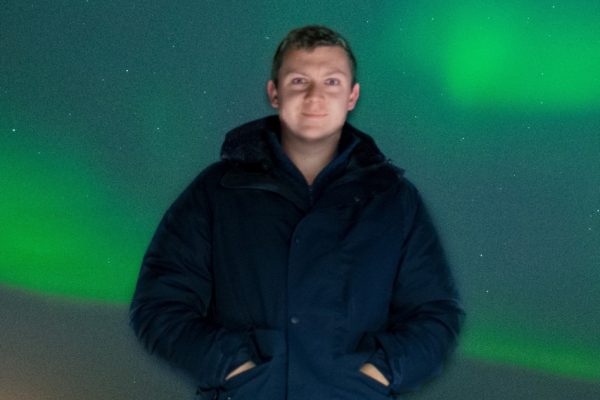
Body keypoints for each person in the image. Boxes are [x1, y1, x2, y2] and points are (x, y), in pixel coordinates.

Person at [130, 25, 464, 400]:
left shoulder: (393, 200)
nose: (314, 97)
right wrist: (232, 366)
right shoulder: (217, 192)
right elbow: (159, 305)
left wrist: (381, 372)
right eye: (299, 80)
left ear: (352, 96)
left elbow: (436, 314)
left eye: (332, 82)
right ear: (274, 92)